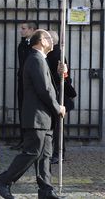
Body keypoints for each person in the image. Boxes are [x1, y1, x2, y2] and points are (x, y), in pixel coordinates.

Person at [0, 29, 66, 199]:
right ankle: (4, 181)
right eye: (48, 38)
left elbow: (48, 85)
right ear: (41, 41)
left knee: (45, 156)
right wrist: (58, 108)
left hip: (45, 117)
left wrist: (59, 73)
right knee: (32, 152)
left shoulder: (41, 59)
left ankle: (46, 190)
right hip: (37, 117)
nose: (52, 41)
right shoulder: (35, 59)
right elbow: (44, 90)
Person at [46, 30, 75, 164]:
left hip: (59, 94)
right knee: (56, 126)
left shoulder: (57, 54)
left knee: (58, 126)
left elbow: (63, 78)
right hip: (54, 93)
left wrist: (61, 74)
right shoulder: (50, 53)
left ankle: (59, 153)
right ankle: (55, 152)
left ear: (52, 40)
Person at [11, 22, 37, 150]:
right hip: (22, 81)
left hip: (31, 83)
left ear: (32, 30)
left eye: (24, 28)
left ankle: (30, 141)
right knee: (22, 110)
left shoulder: (35, 45)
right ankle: (23, 139)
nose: (21, 31)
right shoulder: (22, 44)